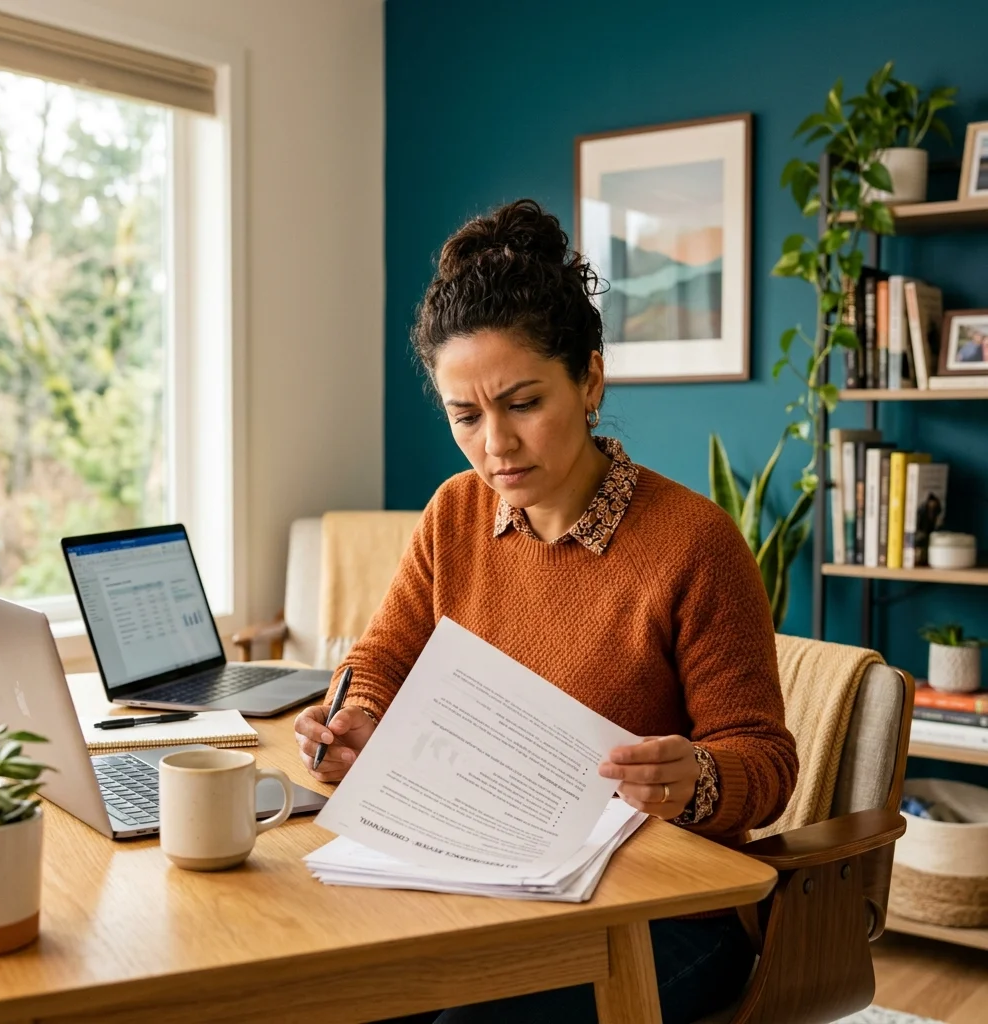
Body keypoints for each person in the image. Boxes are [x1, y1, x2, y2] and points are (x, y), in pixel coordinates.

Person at [294, 199, 798, 1024]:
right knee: (335, 986)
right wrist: (353, 713)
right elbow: (382, 656)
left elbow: (766, 760)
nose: (495, 444)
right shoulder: (455, 514)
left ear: (590, 378)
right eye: (466, 415)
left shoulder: (695, 544)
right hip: (485, 876)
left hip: (667, 916)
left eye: (523, 402)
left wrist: (695, 779)